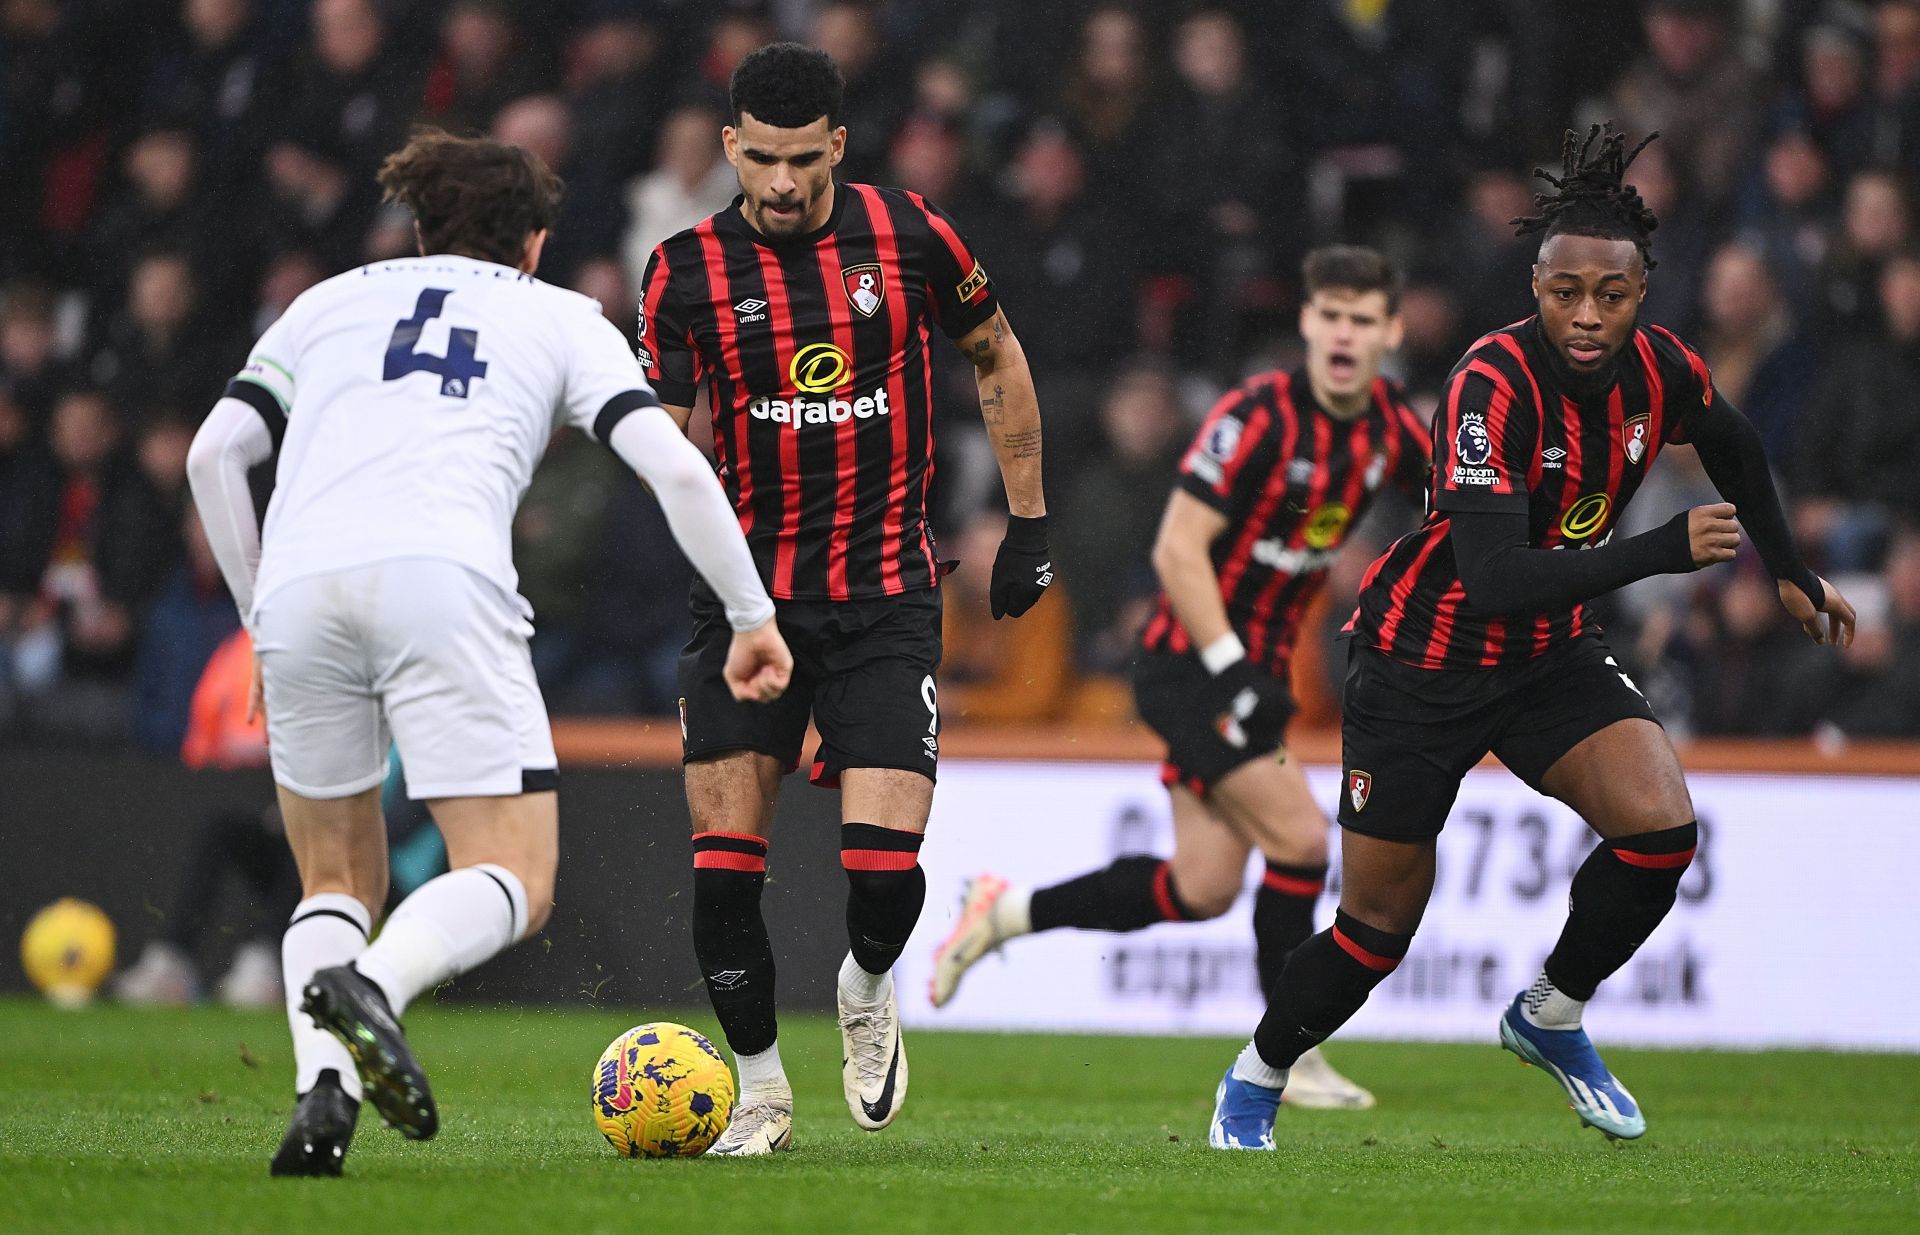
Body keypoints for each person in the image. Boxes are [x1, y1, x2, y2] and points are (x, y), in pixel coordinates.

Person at [1205, 125, 1856, 1151]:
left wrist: (1787, 566)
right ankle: (1259, 1071)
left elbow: (1731, 440)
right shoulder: (1488, 384)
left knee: (1661, 829)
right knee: (1377, 930)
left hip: (1546, 653)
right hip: (1421, 663)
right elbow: (1495, 577)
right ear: (1536, 287)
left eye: (1611, 293)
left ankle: (1551, 1008)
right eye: (1566, 293)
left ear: (1643, 293)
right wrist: (1659, 551)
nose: (1587, 315)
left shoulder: (1662, 368)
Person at [185, 129, 790, 1177]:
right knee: (513, 868)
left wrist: (259, 618)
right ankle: (376, 986)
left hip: (295, 582)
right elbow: (679, 473)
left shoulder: (327, 301)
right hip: (442, 576)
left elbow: (215, 453)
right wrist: (751, 613)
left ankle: (321, 1097)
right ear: (536, 241)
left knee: (332, 875)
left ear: (417, 227)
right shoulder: (557, 315)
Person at [637, 44, 1052, 1155]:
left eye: (802, 161)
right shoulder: (681, 271)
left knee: (881, 869)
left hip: (885, 596)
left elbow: (998, 353)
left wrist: (1032, 522)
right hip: (745, 608)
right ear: (730, 146)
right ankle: (763, 1089)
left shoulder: (910, 233)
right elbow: (665, 445)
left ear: (839, 146)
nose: (780, 184)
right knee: (725, 871)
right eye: (761, 159)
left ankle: (867, 985)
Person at [931, 246, 1432, 1111]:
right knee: (1306, 842)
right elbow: (1176, 549)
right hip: (1190, 665)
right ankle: (1292, 1049)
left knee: (1201, 887)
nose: (1346, 334)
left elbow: (1459, 513)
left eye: (1365, 320)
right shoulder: (1259, 417)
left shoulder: (1392, 426)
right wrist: (1233, 668)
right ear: (1308, 323)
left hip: (1256, 677)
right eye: (1332, 316)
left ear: (1390, 331)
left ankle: (1004, 912)